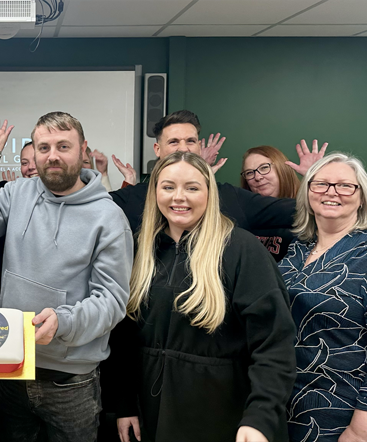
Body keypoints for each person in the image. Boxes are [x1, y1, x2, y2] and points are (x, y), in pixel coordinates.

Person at [0, 111, 133, 442]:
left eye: (63, 146)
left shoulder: (109, 218)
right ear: (33, 152)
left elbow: (112, 301)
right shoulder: (18, 192)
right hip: (13, 369)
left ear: (83, 150)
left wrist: (64, 322)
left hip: (71, 381)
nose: (52, 156)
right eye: (43, 147)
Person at [103, 152, 296, 442]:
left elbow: (273, 343)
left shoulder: (241, 250)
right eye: (168, 187)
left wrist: (260, 418)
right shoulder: (139, 250)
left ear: (209, 192)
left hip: (225, 419)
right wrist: (124, 405)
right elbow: (123, 338)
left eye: (192, 188)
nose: (178, 197)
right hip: (151, 418)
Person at [279, 153, 367, 442]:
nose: (331, 192)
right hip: (288, 408)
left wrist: (359, 432)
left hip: (344, 416)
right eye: (321, 184)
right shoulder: (298, 248)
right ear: (308, 193)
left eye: (345, 186)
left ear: (362, 197)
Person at [110, 110, 317, 243]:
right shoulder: (131, 198)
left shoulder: (230, 197)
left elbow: (302, 209)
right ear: (158, 148)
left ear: (199, 147)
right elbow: (83, 207)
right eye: (173, 142)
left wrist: (316, 178)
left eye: (191, 141)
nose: (184, 148)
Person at [239, 145, 306, 261]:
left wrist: (316, 178)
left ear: (281, 168)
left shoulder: (309, 208)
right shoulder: (243, 217)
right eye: (249, 173)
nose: (258, 177)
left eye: (264, 168)